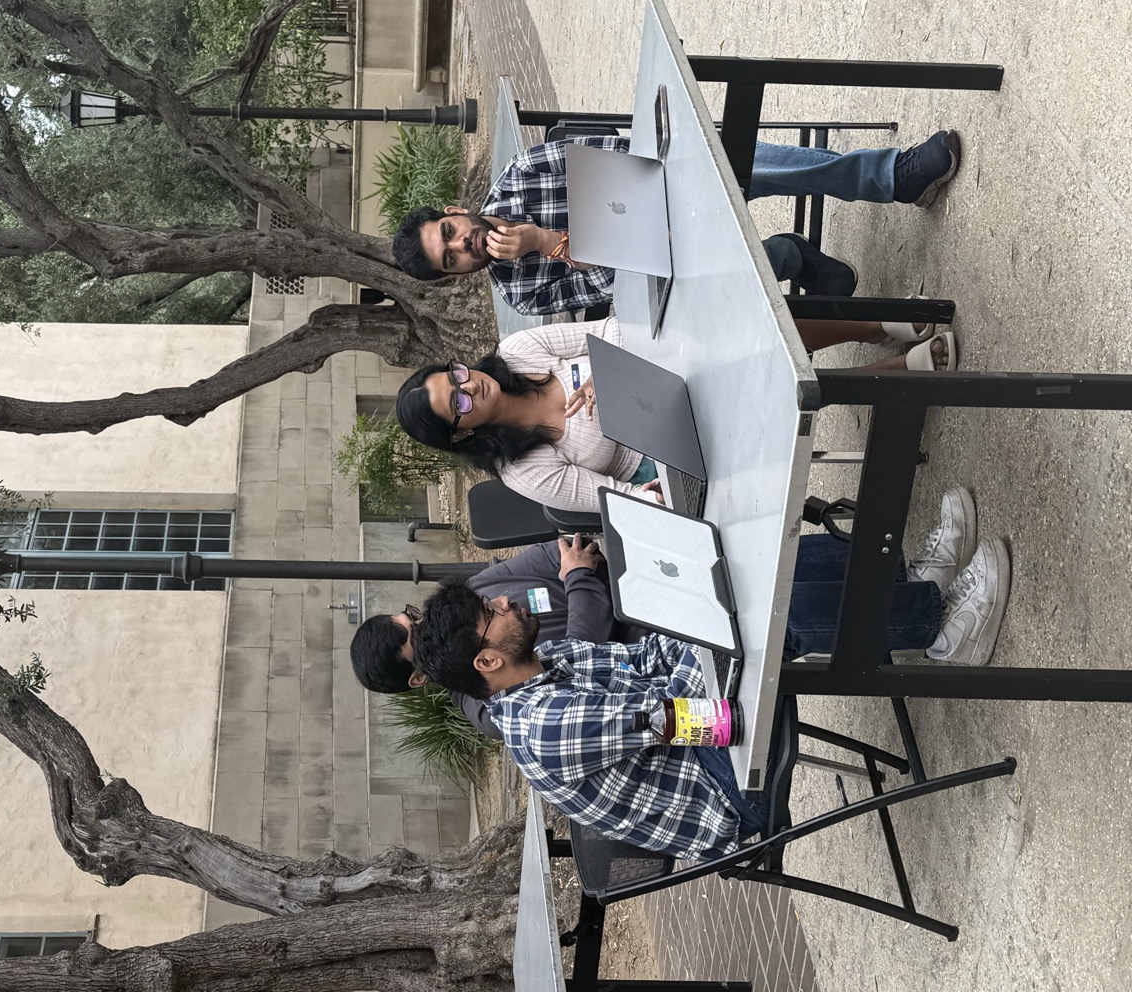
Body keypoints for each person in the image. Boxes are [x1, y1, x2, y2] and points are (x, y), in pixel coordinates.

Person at [409, 493, 1011, 856]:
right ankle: (937, 627)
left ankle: (907, 584)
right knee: (767, 627)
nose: (507, 604)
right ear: (486, 662)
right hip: (723, 788)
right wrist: (724, 644)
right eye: (493, 614)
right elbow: (695, 721)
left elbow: (644, 660)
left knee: (743, 577)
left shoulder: (549, 662)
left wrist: (703, 608)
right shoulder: (540, 725)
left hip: (695, 732)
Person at [394, 317, 952, 515]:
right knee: (765, 399)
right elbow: (609, 497)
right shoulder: (521, 469)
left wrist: (604, 373)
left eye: (458, 375)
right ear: (462, 431)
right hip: (669, 452)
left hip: (656, 370)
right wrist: (663, 495)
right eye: (458, 402)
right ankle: (893, 370)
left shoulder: (518, 351)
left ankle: (872, 327)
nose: (472, 386)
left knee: (746, 332)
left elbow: (608, 330)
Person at [392, 132, 962, 318]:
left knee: (741, 165)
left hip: (667, 184)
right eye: (453, 259)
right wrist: (545, 243)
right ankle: (788, 257)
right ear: (458, 274)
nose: (463, 245)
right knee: (713, 296)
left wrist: (649, 192)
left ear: (450, 212)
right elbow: (615, 286)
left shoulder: (519, 176)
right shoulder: (519, 290)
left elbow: (623, 150)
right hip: (668, 266)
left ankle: (893, 177)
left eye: (449, 234)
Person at [349, 535, 642, 739]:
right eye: (415, 631)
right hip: (644, 651)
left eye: (411, 614)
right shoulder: (493, 707)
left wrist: (583, 579)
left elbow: (558, 552)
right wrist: (577, 577)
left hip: (632, 578)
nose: (502, 602)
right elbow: (582, 659)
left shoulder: (476, 589)